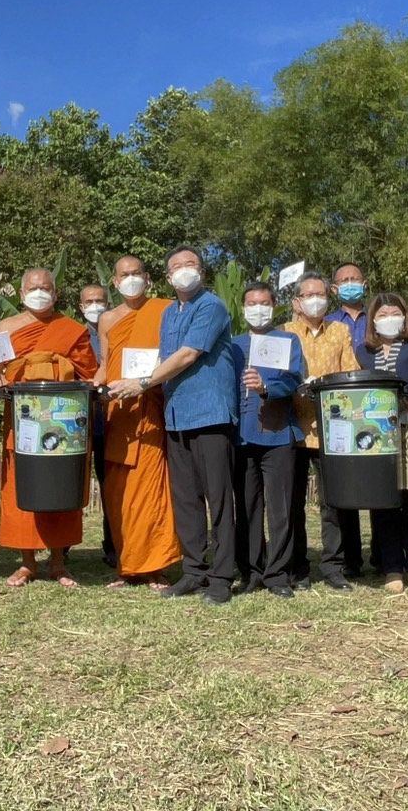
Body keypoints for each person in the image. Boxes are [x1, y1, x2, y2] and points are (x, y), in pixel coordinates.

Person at [109, 246, 238, 604]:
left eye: (190, 265)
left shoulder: (211, 305)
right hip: (177, 413)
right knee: (185, 498)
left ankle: (221, 578)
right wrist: (125, 381)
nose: (184, 271)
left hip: (210, 412)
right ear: (167, 277)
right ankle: (194, 571)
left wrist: (141, 383)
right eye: (176, 267)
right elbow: (162, 357)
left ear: (202, 271)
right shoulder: (169, 313)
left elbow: (188, 354)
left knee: (219, 499)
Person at [0, 268, 99, 587]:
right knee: (19, 485)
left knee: (61, 482)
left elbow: (88, 372)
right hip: (24, 417)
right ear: (21, 293)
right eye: (32, 288)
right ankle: (27, 563)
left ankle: (58, 562)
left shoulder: (72, 330)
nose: (39, 293)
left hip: (63, 417)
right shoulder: (7, 327)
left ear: (55, 294)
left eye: (46, 288)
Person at [95, 255, 181, 588]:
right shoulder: (107, 320)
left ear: (147, 279)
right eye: (123, 275)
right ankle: (127, 566)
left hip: (152, 407)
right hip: (119, 412)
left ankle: (155, 566)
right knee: (120, 494)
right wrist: (97, 389)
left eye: (136, 274)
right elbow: (105, 363)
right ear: (114, 283)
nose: (130, 279)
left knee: (152, 490)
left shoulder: (164, 309)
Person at [283, 271, 363, 589]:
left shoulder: (340, 331)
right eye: (308, 295)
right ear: (297, 302)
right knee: (292, 503)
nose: (315, 300)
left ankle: (333, 567)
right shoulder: (284, 332)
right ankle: (298, 566)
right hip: (293, 427)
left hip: (333, 428)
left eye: (320, 295)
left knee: (333, 503)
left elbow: (351, 374)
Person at [356, 293, 408, 594]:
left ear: (405, 316)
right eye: (383, 313)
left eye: (395, 312)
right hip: (376, 436)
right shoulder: (363, 350)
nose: (389, 317)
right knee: (385, 501)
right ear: (373, 320)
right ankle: (391, 567)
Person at [230, 281, 306, 598]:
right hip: (241, 436)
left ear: (273, 305)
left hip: (278, 433)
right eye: (251, 303)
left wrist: (266, 386)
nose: (257, 308)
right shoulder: (233, 345)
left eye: (263, 302)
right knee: (247, 507)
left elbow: (293, 379)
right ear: (243, 307)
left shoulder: (287, 340)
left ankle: (278, 574)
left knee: (281, 509)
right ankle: (251, 571)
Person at [78, 281, 116, 569]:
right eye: (89, 302)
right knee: (68, 483)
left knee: (110, 486)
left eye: (100, 301)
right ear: (81, 307)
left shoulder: (117, 332)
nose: (95, 306)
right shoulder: (73, 336)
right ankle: (61, 547)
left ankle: (113, 546)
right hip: (74, 423)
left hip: (110, 421)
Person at [327, 263, 369, 347]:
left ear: (365, 285)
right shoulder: (327, 323)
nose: (350, 284)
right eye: (344, 280)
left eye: (355, 279)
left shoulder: (375, 318)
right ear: (334, 289)